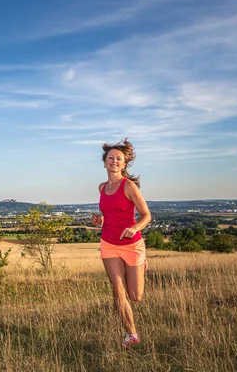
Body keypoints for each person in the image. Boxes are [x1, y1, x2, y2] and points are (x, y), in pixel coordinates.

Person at [90, 139, 151, 347]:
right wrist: (101, 221)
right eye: (110, 157)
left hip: (132, 244)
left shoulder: (129, 186)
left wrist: (134, 228)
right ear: (104, 162)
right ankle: (131, 334)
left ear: (124, 164)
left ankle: (142, 261)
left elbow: (146, 215)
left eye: (118, 158)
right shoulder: (101, 187)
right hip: (108, 243)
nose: (114, 161)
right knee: (117, 291)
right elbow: (111, 215)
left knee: (135, 296)